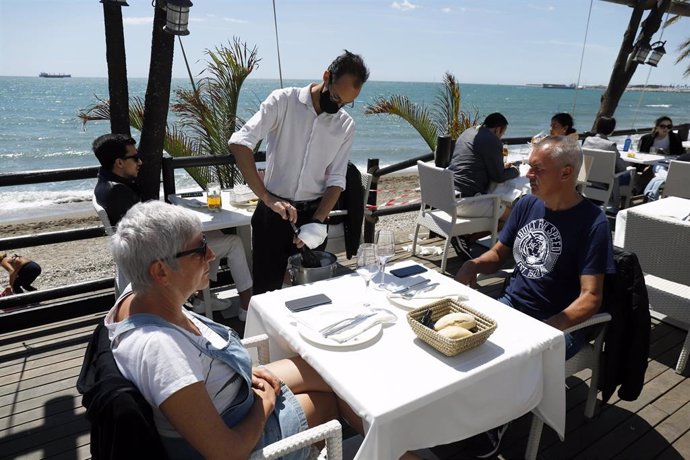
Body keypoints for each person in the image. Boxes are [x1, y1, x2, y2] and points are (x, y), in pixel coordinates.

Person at [103, 200, 364, 460]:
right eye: (200, 248)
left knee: (331, 372)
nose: (211, 255)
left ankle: (386, 440)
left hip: (230, 393)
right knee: (328, 401)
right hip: (240, 432)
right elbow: (227, 453)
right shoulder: (162, 351)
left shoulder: (141, 293)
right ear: (161, 271)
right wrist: (265, 404)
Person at [454, 136, 615, 457]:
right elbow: (499, 254)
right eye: (529, 167)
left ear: (567, 173)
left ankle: (491, 424)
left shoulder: (592, 223)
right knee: (460, 343)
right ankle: (465, 413)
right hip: (511, 307)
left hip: (559, 325)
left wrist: (547, 328)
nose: (528, 174)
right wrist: (472, 265)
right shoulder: (527, 204)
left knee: (508, 360)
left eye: (537, 169)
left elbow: (591, 298)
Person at [228, 50, 370, 295]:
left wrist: (318, 222)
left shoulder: (345, 125)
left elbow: (337, 179)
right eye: (336, 97)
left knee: (310, 296)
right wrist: (267, 198)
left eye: (346, 103)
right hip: (272, 215)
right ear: (326, 76)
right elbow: (240, 143)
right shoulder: (283, 101)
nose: (338, 107)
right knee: (265, 293)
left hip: (313, 216)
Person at [92, 134, 253, 319]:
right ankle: (247, 307)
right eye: (135, 157)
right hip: (157, 256)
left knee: (211, 235)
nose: (140, 162)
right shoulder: (119, 192)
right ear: (119, 163)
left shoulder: (105, 184)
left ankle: (202, 299)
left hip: (142, 254)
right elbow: (149, 236)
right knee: (234, 242)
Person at [446, 112, 520, 260]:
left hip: (447, 196)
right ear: (498, 129)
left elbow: (475, 162)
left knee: (501, 214)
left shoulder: (468, 132)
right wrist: (515, 171)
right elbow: (498, 177)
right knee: (515, 216)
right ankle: (500, 255)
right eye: (502, 133)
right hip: (466, 202)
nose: (501, 137)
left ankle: (466, 238)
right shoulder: (492, 140)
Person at [582, 116, 631, 210]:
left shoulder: (587, 140)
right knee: (628, 174)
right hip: (604, 185)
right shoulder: (610, 145)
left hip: (585, 182)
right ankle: (624, 205)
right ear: (611, 130)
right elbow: (622, 168)